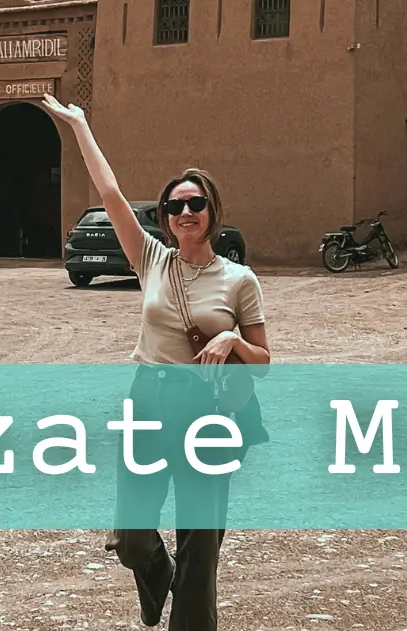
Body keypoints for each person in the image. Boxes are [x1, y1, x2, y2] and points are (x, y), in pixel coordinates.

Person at [40, 92, 270, 631]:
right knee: (131, 534)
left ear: (213, 211)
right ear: (164, 217)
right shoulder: (152, 260)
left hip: (207, 409)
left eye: (195, 204)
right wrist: (79, 126)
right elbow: (110, 191)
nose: (185, 213)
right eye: (174, 206)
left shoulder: (239, 280)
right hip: (147, 398)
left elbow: (261, 361)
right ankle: (154, 571)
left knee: (201, 545)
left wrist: (231, 340)